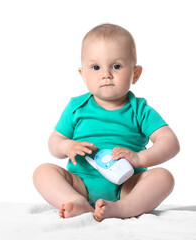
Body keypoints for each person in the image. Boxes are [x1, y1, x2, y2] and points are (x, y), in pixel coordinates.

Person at [33, 23, 180, 222]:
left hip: (128, 185)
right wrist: (67, 146)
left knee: (164, 178)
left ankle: (122, 208)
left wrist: (140, 158)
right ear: (83, 74)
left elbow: (170, 142)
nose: (106, 74)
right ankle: (76, 201)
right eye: (95, 67)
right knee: (43, 172)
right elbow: (54, 143)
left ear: (135, 74)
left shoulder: (139, 110)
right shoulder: (76, 107)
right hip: (81, 183)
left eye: (116, 66)